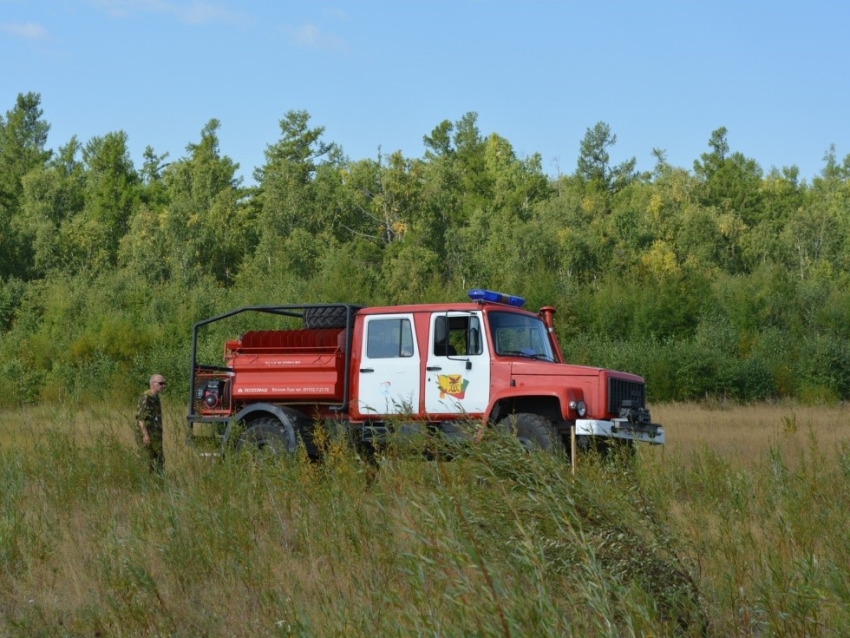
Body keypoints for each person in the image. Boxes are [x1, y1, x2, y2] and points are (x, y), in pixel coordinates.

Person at [135, 374, 166, 474]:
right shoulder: (146, 397)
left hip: (155, 435)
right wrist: (145, 435)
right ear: (152, 384)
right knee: (147, 461)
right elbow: (141, 418)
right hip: (147, 435)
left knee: (159, 461)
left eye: (164, 383)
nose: (163, 386)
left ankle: (159, 484)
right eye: (161, 383)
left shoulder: (156, 398)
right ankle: (145, 484)